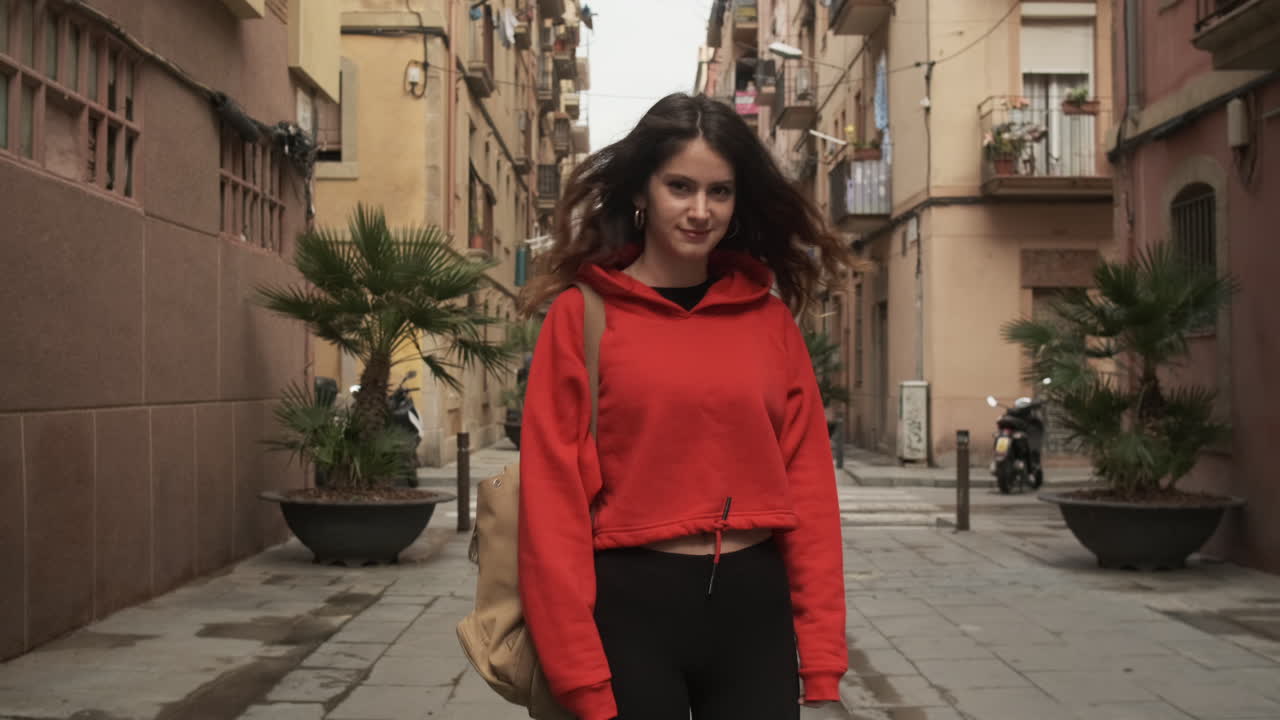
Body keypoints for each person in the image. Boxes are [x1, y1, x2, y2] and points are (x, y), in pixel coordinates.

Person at [516, 92, 858, 720]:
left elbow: (810, 494)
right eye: (680, 186)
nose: (701, 211)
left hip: (755, 613)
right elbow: (550, 503)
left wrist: (822, 666)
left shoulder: (769, 322)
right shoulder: (581, 317)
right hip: (629, 613)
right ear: (641, 192)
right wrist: (578, 673)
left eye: (719, 192)